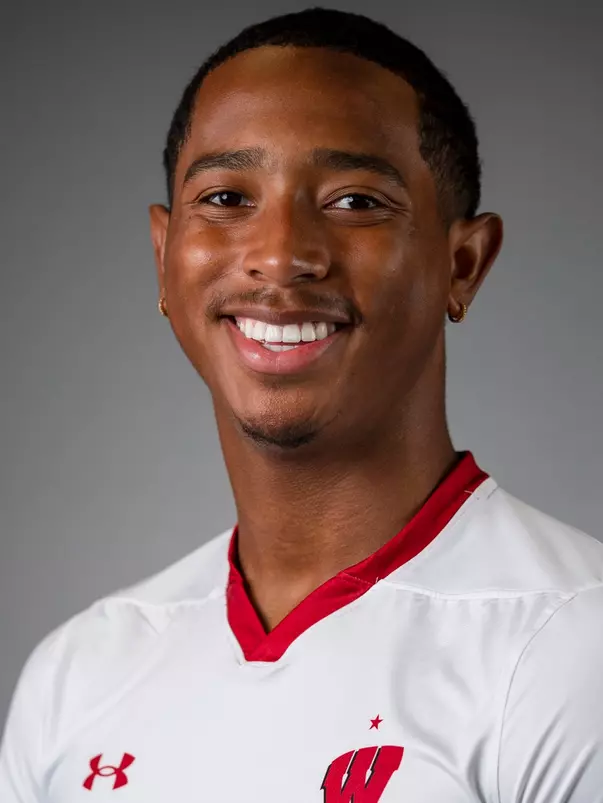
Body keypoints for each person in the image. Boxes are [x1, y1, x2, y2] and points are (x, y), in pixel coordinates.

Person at [1, 7, 602, 802]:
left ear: (462, 263)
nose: (280, 254)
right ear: (164, 255)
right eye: (224, 196)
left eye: (355, 201)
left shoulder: (571, 647)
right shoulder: (78, 673)